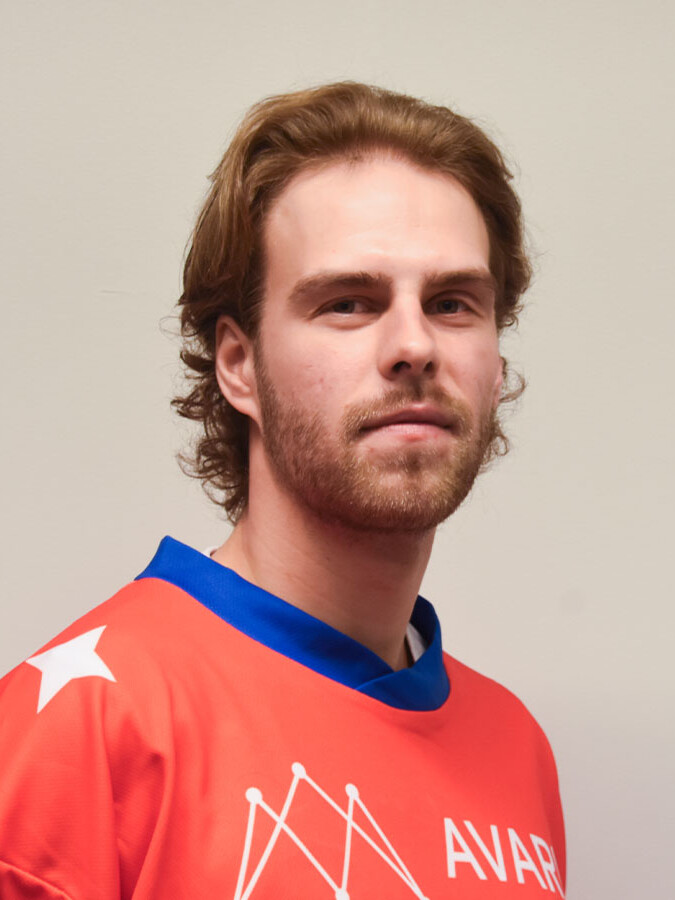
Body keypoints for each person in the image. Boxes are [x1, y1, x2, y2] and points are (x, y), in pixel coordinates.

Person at [0, 82, 565, 898]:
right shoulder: (82, 724)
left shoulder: (514, 747)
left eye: (451, 304)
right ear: (239, 366)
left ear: (495, 360)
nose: (413, 345)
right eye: (347, 303)